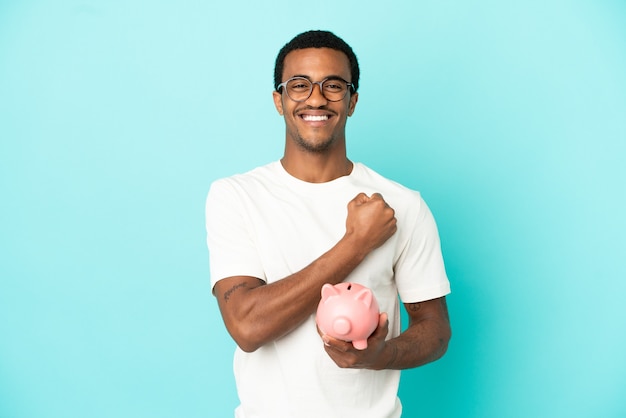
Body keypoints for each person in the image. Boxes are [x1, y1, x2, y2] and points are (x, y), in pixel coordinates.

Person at [205, 30, 451, 418]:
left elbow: (435, 330)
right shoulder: (237, 196)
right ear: (279, 100)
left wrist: (382, 355)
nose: (316, 98)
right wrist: (355, 244)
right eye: (299, 85)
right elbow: (246, 325)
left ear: (352, 101)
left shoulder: (403, 205)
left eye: (333, 86)